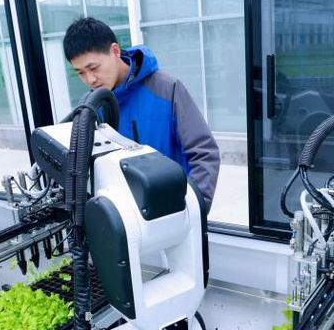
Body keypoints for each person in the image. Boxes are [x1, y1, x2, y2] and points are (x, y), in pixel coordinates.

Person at [63, 17, 219, 212]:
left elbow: (204, 153)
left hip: (172, 215)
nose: (90, 79)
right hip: (121, 222)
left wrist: (194, 212)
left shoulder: (166, 88)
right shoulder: (91, 105)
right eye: (80, 73)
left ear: (115, 51)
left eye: (93, 68)